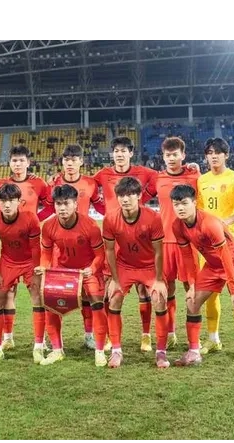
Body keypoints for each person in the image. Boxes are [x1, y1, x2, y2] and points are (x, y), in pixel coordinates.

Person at [170, 184, 234, 378]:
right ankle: (194, 352)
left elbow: (225, 254)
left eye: (184, 203)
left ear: (194, 203)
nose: (180, 208)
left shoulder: (209, 223)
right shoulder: (177, 226)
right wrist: (192, 285)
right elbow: (187, 256)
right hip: (212, 265)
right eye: (176, 204)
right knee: (192, 302)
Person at [93, 136, 159, 353]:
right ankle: (110, 337)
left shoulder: (143, 172)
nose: (119, 154)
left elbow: (161, 179)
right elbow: (86, 186)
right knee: (109, 289)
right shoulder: (103, 174)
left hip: (136, 234)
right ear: (112, 154)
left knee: (143, 290)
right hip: (113, 234)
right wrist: (103, 209)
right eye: (116, 151)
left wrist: (144, 198)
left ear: (131, 153)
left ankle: (146, 335)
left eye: (124, 150)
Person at [35, 185, 108, 366]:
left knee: (97, 303)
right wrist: (43, 266)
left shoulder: (90, 225)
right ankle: (57, 350)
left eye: (66, 203)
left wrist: (92, 269)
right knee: (50, 304)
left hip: (88, 270)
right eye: (58, 204)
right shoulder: (49, 226)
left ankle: (99, 351)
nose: (62, 208)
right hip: (64, 271)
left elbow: (100, 255)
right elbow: (46, 253)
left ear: (75, 204)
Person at [0, 145, 54, 350]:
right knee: (7, 294)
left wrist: (35, 219)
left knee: (38, 294)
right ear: (9, 163)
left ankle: (41, 341)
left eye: (21, 160)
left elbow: (51, 206)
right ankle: (8, 338)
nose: (18, 164)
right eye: (14, 160)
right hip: (9, 251)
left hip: (32, 246)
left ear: (28, 162)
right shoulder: (2, 185)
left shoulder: (39, 183)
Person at [102, 177, 169, 369]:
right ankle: (116, 351)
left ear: (139, 195)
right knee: (114, 298)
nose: (125, 199)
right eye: (121, 195)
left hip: (149, 267)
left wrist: (159, 280)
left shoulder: (153, 218)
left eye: (130, 194)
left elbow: (158, 251)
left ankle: (161, 352)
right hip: (125, 266)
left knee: (159, 300)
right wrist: (115, 280)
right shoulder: (110, 219)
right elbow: (109, 251)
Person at [48, 144, 106, 349]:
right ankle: (55, 341)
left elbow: (101, 206)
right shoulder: (54, 183)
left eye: (74, 160)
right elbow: (45, 206)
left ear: (81, 161)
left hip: (85, 245)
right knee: (54, 295)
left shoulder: (90, 183)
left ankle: (89, 335)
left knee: (90, 296)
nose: (70, 164)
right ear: (62, 162)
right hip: (60, 247)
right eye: (66, 160)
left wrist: (118, 215)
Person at [144, 136, 200, 350]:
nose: (171, 158)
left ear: (183, 155)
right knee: (166, 290)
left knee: (192, 288)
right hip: (164, 242)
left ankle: (194, 340)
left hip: (188, 241)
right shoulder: (158, 179)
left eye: (175, 154)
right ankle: (170, 333)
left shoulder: (194, 176)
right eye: (167, 155)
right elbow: (140, 198)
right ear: (163, 156)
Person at [197, 138, 234, 359]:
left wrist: (224, 223)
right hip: (208, 247)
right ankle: (213, 339)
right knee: (210, 295)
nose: (214, 156)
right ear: (206, 156)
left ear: (226, 155)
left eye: (218, 152)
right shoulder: (201, 180)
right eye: (210, 153)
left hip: (231, 244)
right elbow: (198, 210)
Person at [0, 183, 45, 364]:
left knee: (37, 297)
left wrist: (36, 270)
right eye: (3, 200)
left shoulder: (30, 219)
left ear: (19, 201)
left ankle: (39, 346)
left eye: (11, 200)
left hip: (29, 262)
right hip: (8, 261)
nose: (7, 204)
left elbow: (35, 248)